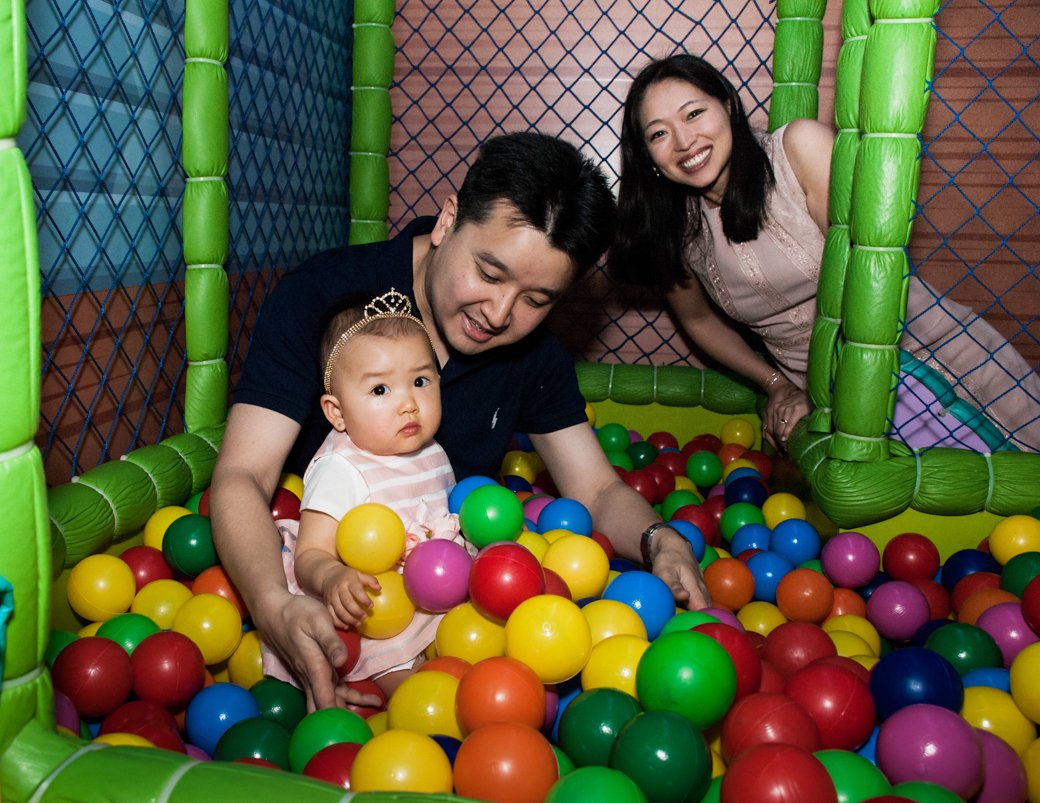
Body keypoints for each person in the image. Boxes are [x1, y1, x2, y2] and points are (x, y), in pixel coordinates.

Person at [211, 131, 711, 712]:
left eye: (536, 299)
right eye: (490, 274)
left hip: (453, 601)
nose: (499, 314)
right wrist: (273, 602)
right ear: (448, 220)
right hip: (344, 594)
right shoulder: (325, 302)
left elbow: (596, 489)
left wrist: (660, 539)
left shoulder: (535, 355)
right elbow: (244, 474)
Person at [610, 54, 1040, 452]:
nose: (684, 140)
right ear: (647, 156)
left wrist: (822, 394)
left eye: (693, 113)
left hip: (929, 352)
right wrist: (777, 383)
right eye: (659, 133)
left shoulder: (798, 149)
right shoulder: (676, 228)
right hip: (828, 400)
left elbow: (861, 277)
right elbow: (698, 320)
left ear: (726, 105)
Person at [262, 290, 473, 700]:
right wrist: (333, 577)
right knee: (421, 691)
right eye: (380, 390)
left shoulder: (432, 450)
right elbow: (310, 555)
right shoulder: (341, 468)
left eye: (420, 381)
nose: (408, 404)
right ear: (337, 412)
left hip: (439, 588)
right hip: (375, 608)